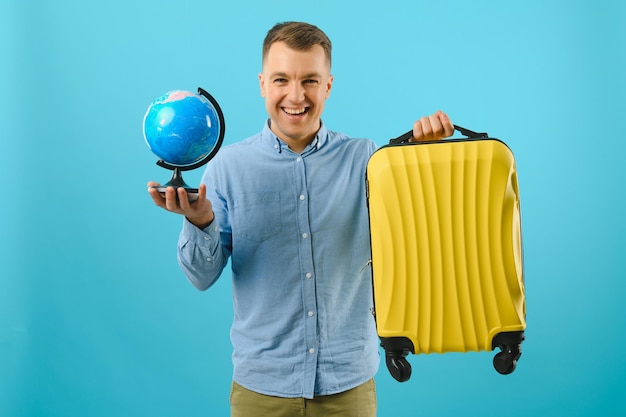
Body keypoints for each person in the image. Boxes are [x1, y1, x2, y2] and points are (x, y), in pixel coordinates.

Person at [148, 21, 454, 417]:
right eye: (281, 79)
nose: (296, 95)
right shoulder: (228, 167)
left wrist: (424, 161)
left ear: (328, 85)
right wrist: (201, 220)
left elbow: (417, 237)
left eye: (310, 80)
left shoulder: (368, 160)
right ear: (262, 84)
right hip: (261, 389)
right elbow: (201, 277)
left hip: (348, 388)